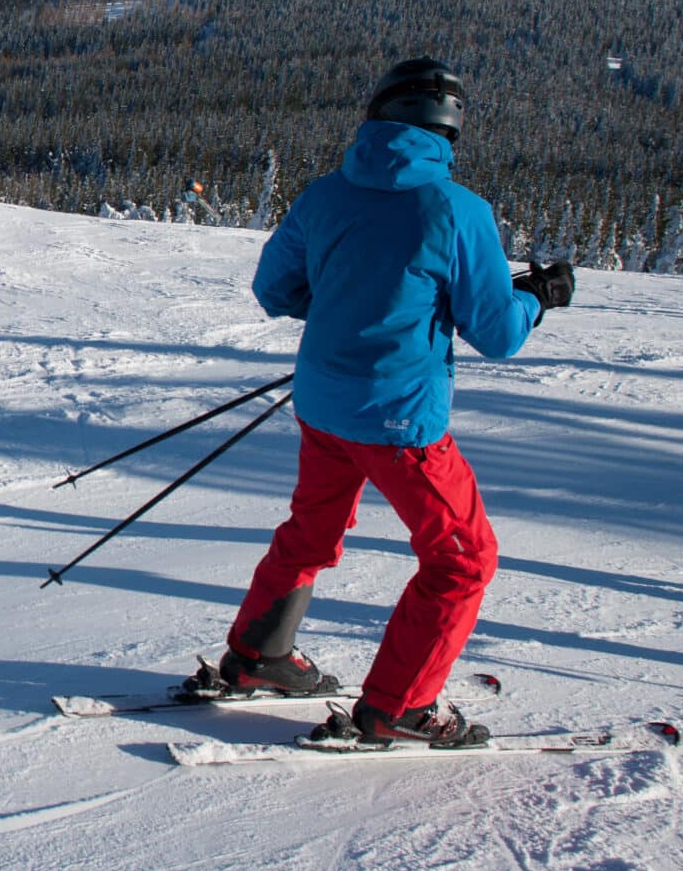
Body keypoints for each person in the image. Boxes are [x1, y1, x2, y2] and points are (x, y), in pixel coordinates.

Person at [204, 58, 569, 748]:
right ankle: (399, 704)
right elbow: (496, 331)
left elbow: (275, 290)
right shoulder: (456, 211)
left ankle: (259, 655)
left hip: (322, 407)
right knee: (463, 558)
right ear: (449, 127)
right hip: (401, 422)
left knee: (312, 530)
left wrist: (348, 299)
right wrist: (538, 296)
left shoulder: (325, 195)